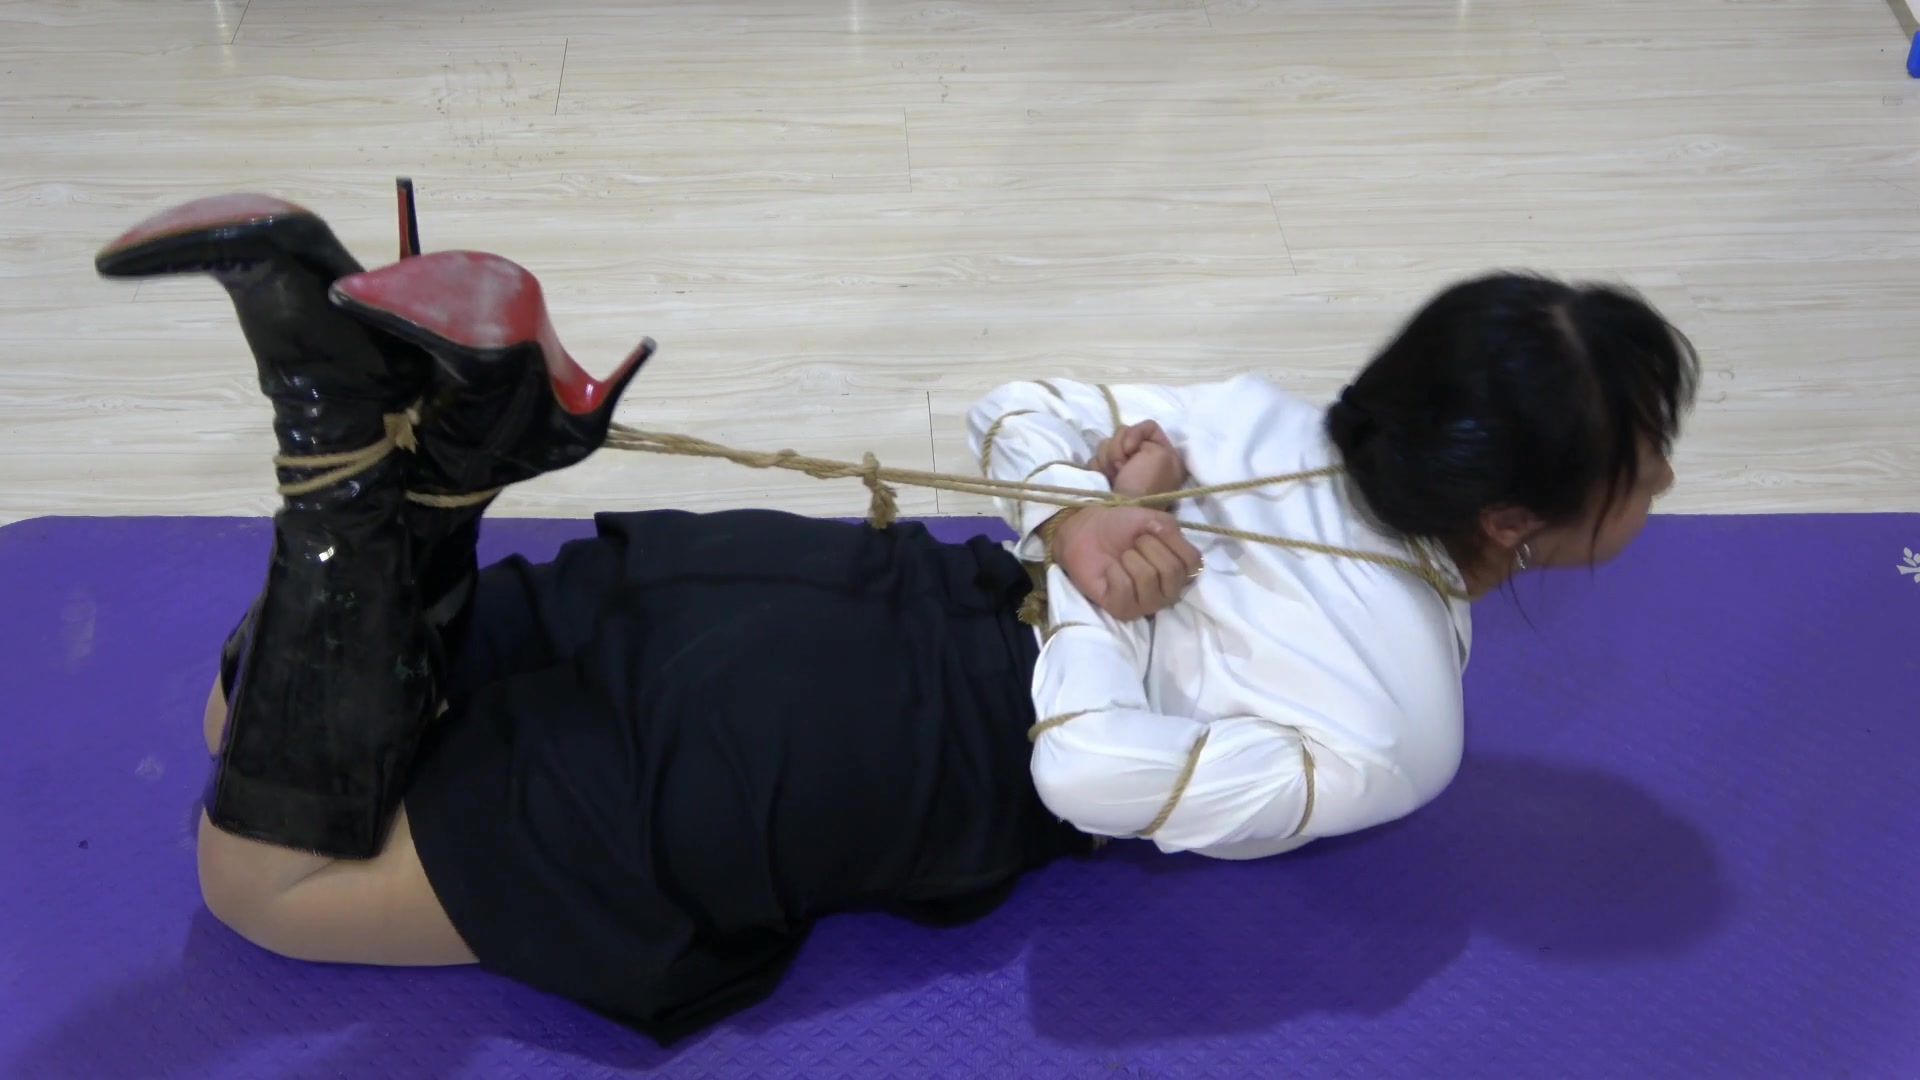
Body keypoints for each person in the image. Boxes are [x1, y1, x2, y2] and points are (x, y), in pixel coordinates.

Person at [94, 194, 1699, 1045]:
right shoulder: (1404, 731)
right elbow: (1084, 775)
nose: (1666, 484)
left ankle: (426, 463)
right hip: (859, 755)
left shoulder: (1264, 416)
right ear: (1513, 522)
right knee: (262, 881)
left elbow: (1025, 406)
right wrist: (1095, 572)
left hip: (816, 594)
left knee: (251, 718)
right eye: (1644, 467)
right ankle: (343, 429)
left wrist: (1082, 511)